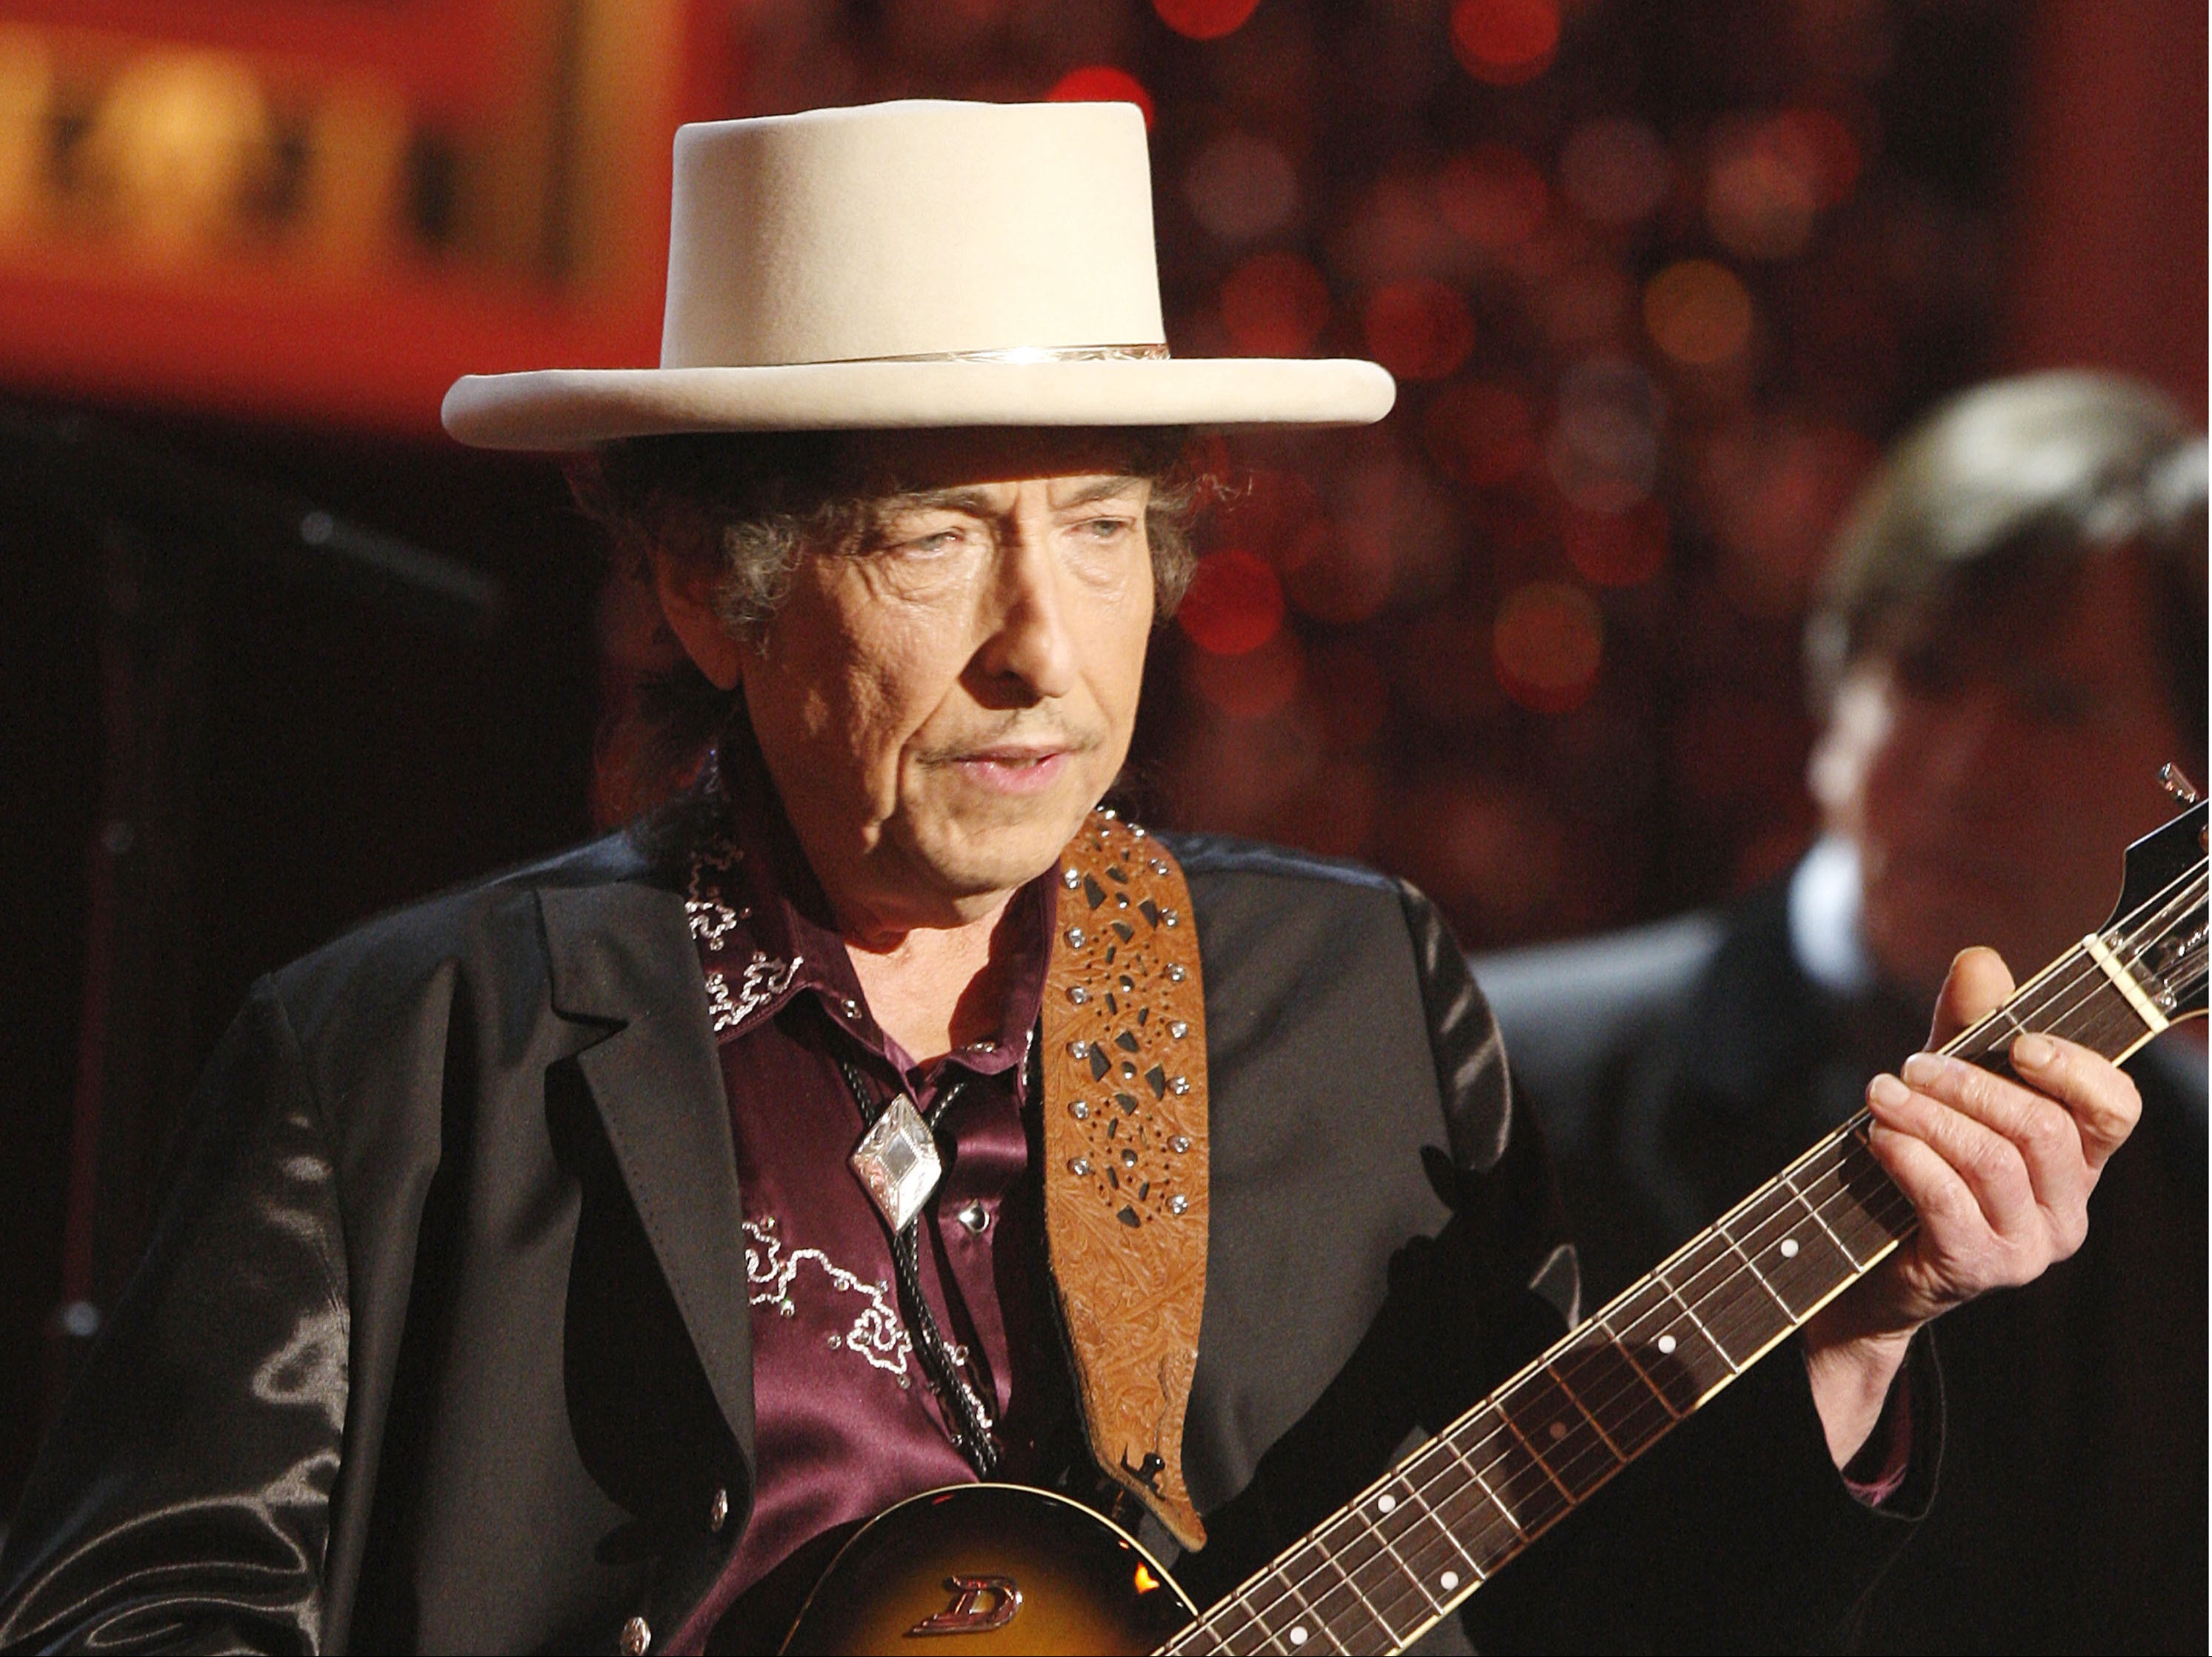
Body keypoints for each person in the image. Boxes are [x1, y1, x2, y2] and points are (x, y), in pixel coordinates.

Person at [0, 105, 2145, 1656]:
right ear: (707, 588)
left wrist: (1854, 1339)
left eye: (1103, 531)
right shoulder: (400, 1049)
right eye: (938, 536)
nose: (1045, 642)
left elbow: (1579, 1601)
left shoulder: (1345, 990)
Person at [1478, 370, 2206, 1653]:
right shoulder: (1494, 1068)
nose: (1969, 765)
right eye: (1924, 673)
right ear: (1832, 686)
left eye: (2053, 703)